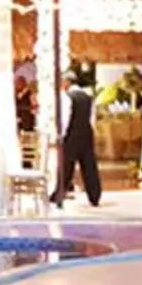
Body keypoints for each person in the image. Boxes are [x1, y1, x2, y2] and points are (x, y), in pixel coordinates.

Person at [50, 65, 102, 207]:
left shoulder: (68, 98)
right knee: (89, 166)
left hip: (72, 135)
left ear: (67, 82)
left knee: (66, 166)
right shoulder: (88, 97)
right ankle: (95, 196)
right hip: (86, 134)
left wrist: (61, 136)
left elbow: (65, 118)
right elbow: (92, 118)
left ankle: (60, 194)